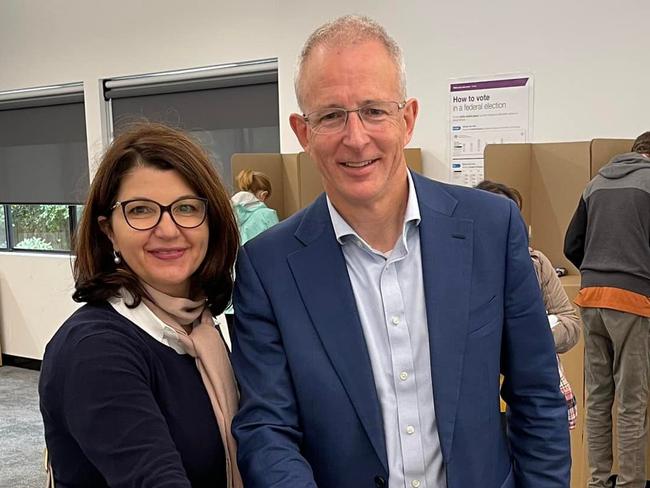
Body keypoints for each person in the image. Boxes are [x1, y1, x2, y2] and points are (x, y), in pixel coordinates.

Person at [230, 15, 570, 488]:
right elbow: (267, 430)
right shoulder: (268, 267)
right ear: (303, 132)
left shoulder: (491, 230)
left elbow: (536, 395)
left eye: (374, 110)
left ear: (407, 119)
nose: (356, 136)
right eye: (330, 115)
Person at [39, 123, 243, 488]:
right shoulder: (96, 350)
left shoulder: (197, 328)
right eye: (142, 210)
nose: (167, 229)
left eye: (185, 207)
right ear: (109, 229)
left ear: (209, 221)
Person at [564, 131, 650, 488]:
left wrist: (599, 269)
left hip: (591, 298)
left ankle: (598, 481)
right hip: (632, 301)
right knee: (632, 402)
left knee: (598, 398)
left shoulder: (595, 183)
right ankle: (630, 483)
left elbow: (572, 244)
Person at [476, 180, 580, 429]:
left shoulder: (535, 263)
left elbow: (570, 324)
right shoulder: (462, 270)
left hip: (531, 394)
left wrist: (531, 335)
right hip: (480, 398)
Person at [224, 169, 279, 331]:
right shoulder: (266, 215)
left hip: (229, 293)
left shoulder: (227, 212)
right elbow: (276, 254)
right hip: (258, 290)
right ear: (263, 195)